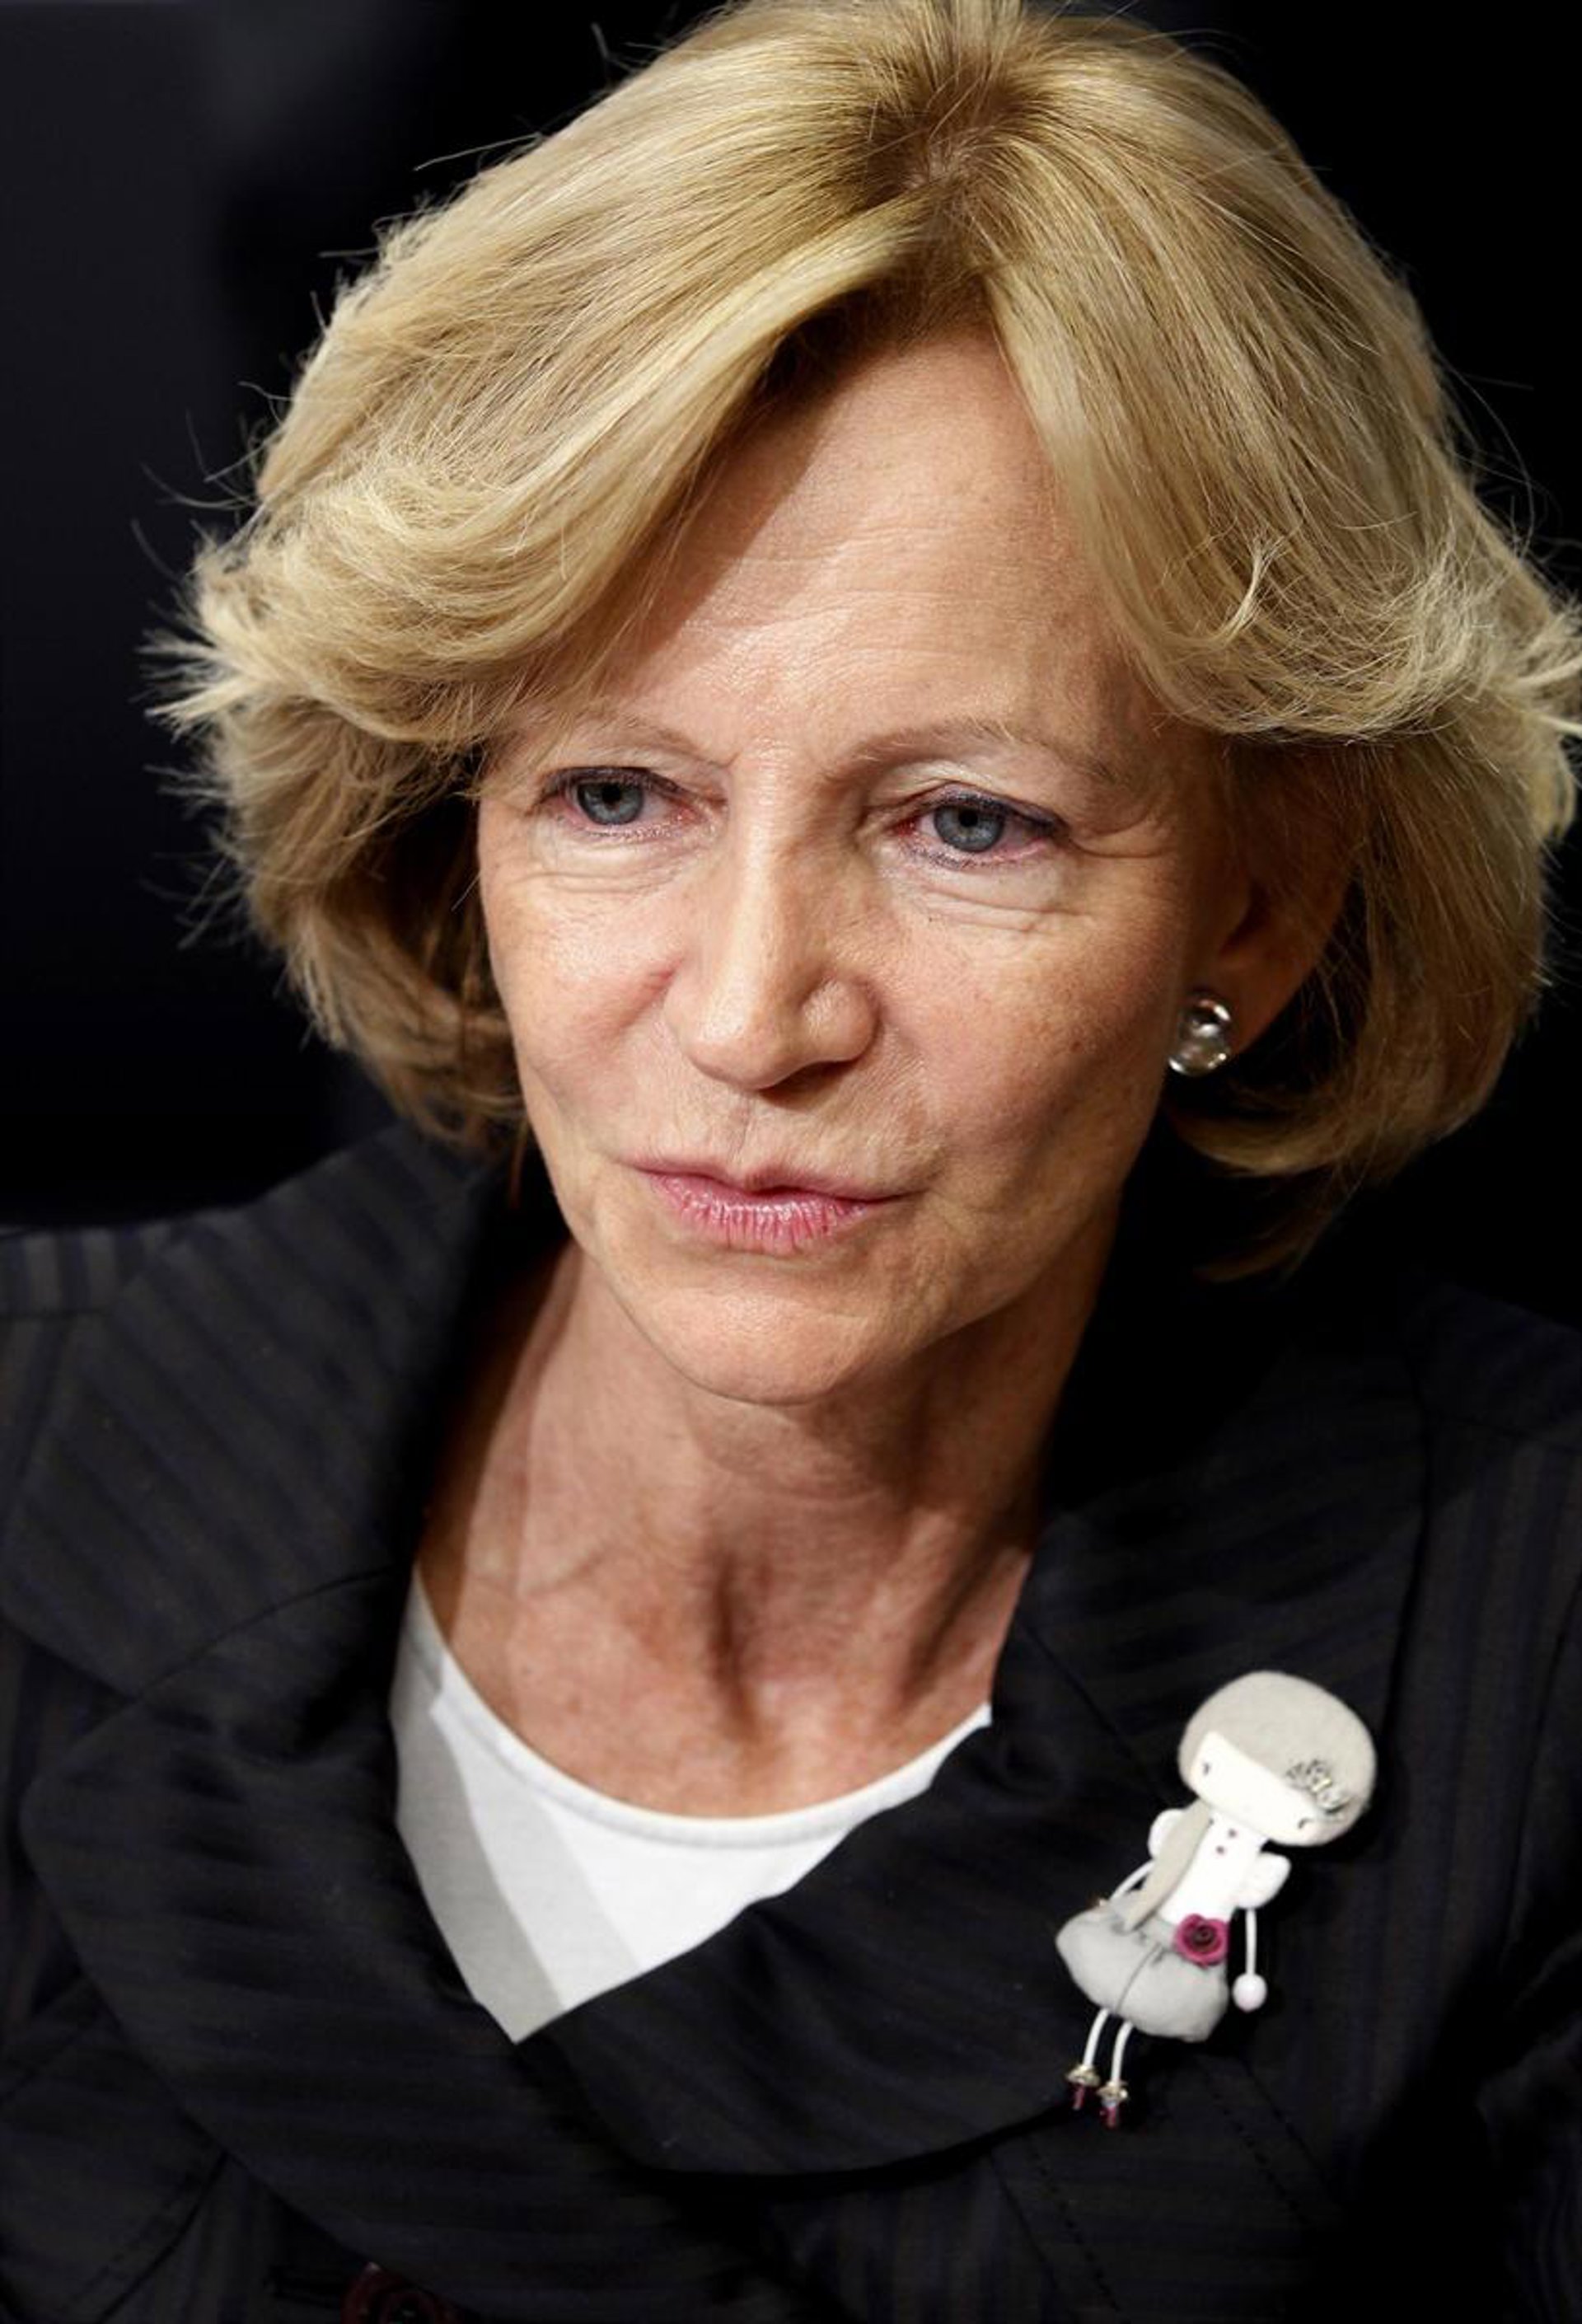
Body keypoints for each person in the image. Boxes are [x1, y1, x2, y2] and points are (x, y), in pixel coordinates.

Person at [3, 2, 1579, 2318]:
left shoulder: (1535, 1643)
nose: (753, 1015)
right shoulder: (31, 1433)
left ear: (1262, 904)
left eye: (967, 823)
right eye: (614, 795)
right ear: (457, 820)